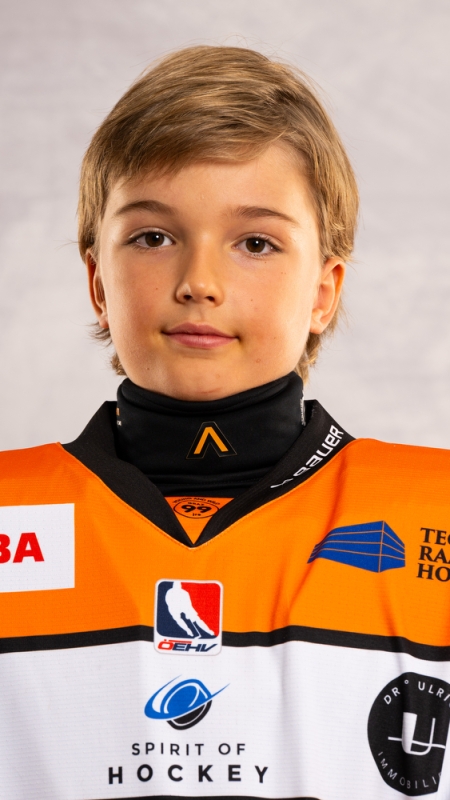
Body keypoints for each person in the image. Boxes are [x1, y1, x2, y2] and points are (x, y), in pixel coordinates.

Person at [0, 44, 449, 800]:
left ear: (324, 291)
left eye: (255, 243)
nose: (199, 283)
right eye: (153, 237)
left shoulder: (437, 513)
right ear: (97, 281)